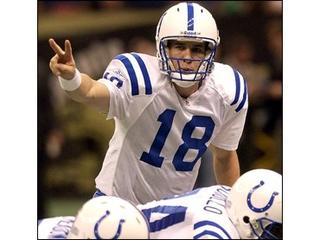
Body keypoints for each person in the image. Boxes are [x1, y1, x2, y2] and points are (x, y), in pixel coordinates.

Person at [48, 2, 248, 205]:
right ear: (162, 47)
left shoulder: (227, 90)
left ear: (210, 52)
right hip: (119, 202)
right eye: (179, 46)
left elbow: (225, 156)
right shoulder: (140, 78)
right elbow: (91, 91)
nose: (187, 57)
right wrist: (71, 77)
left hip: (175, 210)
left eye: (197, 49)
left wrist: (233, 208)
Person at [38, 169, 282, 239]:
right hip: (104, 229)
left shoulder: (228, 195)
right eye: (275, 229)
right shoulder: (216, 230)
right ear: (250, 216)